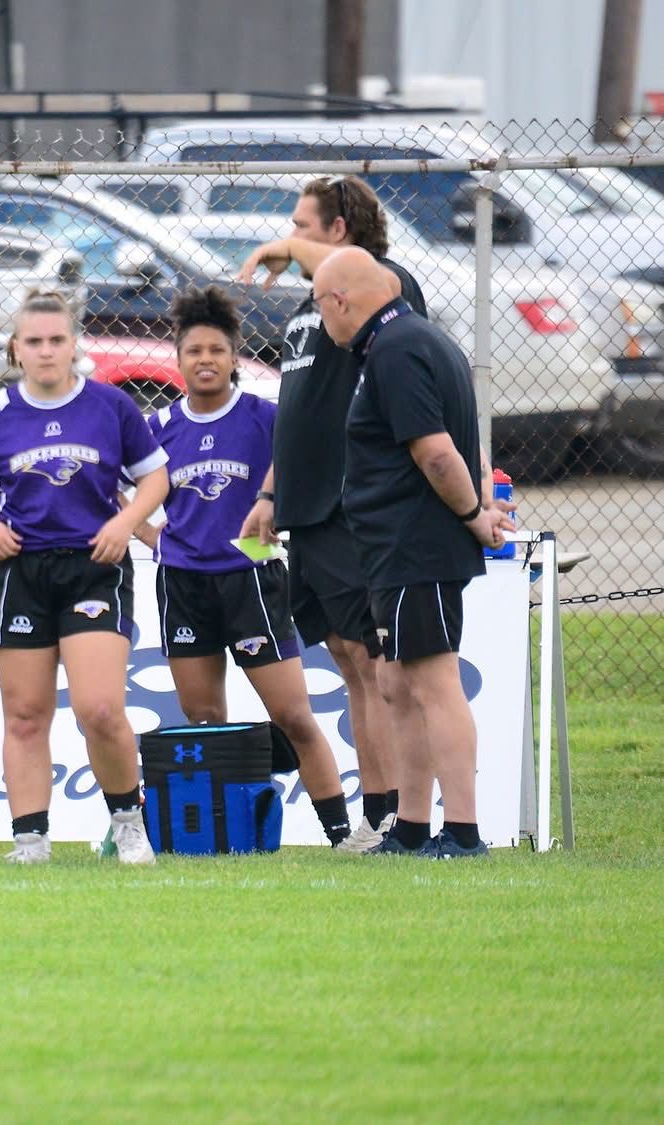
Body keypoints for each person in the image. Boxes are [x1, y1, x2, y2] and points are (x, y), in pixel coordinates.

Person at [0, 291, 170, 865]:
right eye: (34, 341)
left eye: (56, 340)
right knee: (24, 715)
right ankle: (30, 841)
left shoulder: (111, 407)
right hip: (20, 571)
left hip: (94, 568)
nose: (45, 351)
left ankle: (128, 824)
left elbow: (156, 479)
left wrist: (125, 523)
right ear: (16, 349)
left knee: (100, 709)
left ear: (74, 346)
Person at [235, 175, 428, 852]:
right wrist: (269, 495)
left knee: (379, 664)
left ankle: (399, 816)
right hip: (305, 511)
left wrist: (290, 249)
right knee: (350, 662)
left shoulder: (380, 289)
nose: (289, 238)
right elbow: (302, 414)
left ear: (338, 230)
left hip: (356, 507)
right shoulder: (307, 309)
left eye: (302, 226)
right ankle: (376, 813)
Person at [313, 247, 514, 858]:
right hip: (392, 549)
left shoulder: (397, 350)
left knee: (433, 682)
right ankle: (409, 826)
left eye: (320, 306)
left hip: (415, 544)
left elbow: (437, 452)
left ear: (339, 301)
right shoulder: (414, 340)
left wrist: (473, 516)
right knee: (395, 681)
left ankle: (464, 832)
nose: (322, 320)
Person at [133, 287, 351, 846]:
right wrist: (153, 538)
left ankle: (343, 833)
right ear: (178, 359)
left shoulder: (264, 418)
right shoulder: (159, 427)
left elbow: (313, 460)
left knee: (293, 716)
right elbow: (117, 490)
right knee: (205, 721)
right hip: (182, 584)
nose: (205, 360)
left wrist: (280, 517)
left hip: (252, 579)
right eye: (194, 351)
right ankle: (226, 834)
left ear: (235, 357)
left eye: (217, 350)